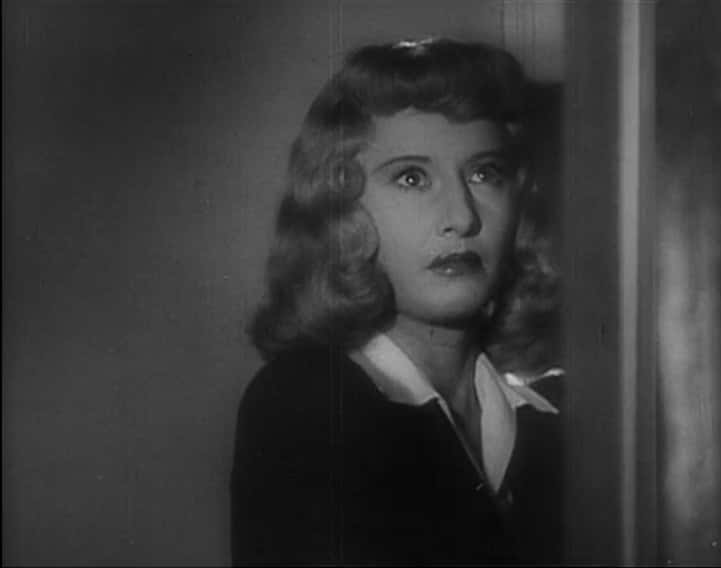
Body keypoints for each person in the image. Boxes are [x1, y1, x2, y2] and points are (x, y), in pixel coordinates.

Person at [231, 37, 563, 565]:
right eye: (411, 177)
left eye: (485, 173)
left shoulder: (557, 416)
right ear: (341, 210)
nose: (461, 217)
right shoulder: (308, 404)